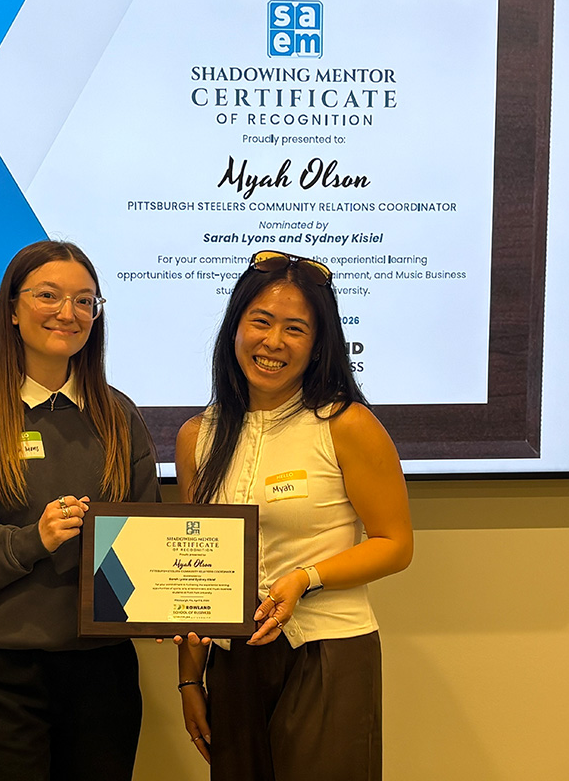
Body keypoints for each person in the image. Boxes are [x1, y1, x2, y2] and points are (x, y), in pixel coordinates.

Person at [0, 240, 160, 781]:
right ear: (13, 310)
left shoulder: (120, 417)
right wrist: (31, 540)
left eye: (85, 300)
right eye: (49, 295)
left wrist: (171, 601)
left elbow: (147, 543)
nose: (68, 312)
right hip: (3, 676)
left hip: (103, 675)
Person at [173, 249, 414, 781]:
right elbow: (195, 570)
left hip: (327, 652)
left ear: (319, 344)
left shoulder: (346, 424)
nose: (273, 342)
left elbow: (395, 544)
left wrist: (306, 578)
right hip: (233, 659)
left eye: (295, 329)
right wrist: (190, 679)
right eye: (260, 321)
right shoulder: (197, 436)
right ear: (235, 328)